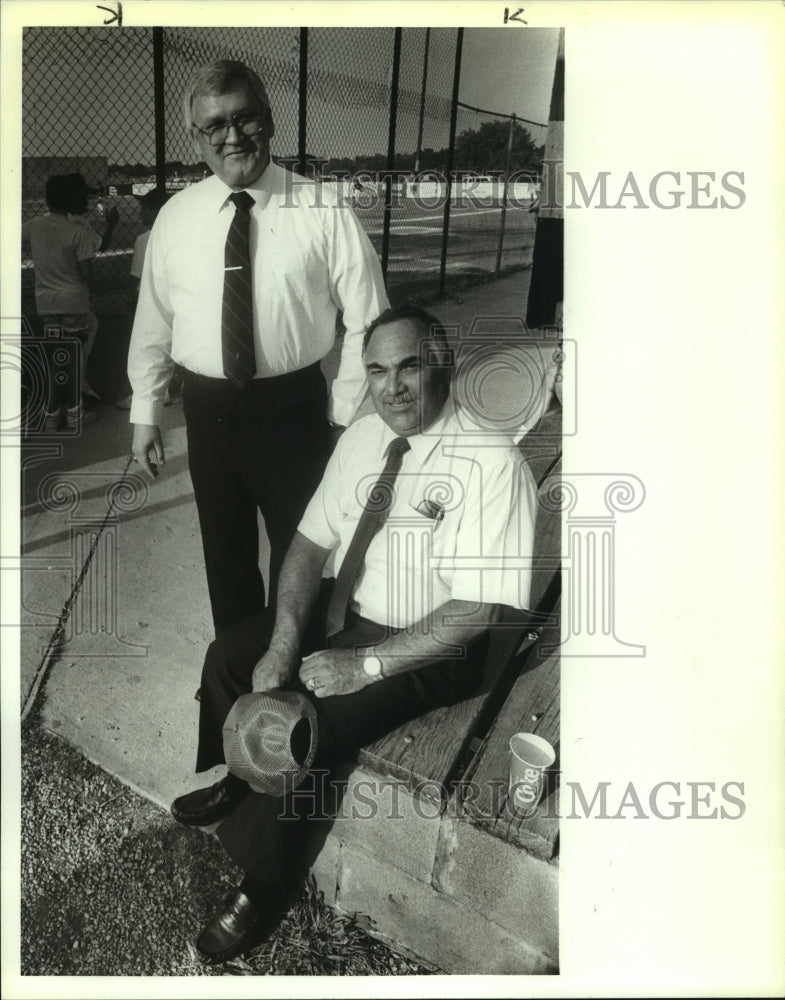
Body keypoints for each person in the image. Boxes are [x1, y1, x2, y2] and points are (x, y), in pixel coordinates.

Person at [169, 304, 539, 963]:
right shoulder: (364, 438)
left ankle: (266, 884)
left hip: (430, 644)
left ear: (442, 363)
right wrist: (285, 641)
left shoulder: (492, 463)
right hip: (345, 607)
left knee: (306, 725)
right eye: (376, 371)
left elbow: (477, 611)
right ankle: (242, 773)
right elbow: (309, 545)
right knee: (231, 654)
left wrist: (364, 665)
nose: (392, 387)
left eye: (408, 367)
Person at [127, 60, 389, 633]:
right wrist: (146, 409)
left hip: (294, 412)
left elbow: (370, 319)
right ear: (196, 138)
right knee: (225, 556)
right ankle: (236, 668)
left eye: (243, 118)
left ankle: (291, 665)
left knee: (303, 554)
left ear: (268, 120)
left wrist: (343, 412)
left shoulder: (322, 209)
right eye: (214, 125)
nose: (232, 136)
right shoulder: (176, 217)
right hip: (207, 411)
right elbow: (154, 319)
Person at [22, 172, 118, 430]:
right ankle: (75, 413)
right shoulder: (78, 232)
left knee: (56, 361)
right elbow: (87, 275)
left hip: (47, 305)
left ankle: (52, 415)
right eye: (81, 197)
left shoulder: (35, 225)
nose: (85, 201)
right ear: (71, 200)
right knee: (74, 361)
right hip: (73, 304)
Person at [115, 187, 171, 411]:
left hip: (147, 299)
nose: (140, 213)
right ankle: (167, 390)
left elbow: (136, 275)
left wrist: (129, 299)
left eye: (145, 208)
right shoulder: (178, 233)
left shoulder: (144, 238)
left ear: (156, 211)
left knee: (147, 347)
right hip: (172, 296)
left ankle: (143, 393)